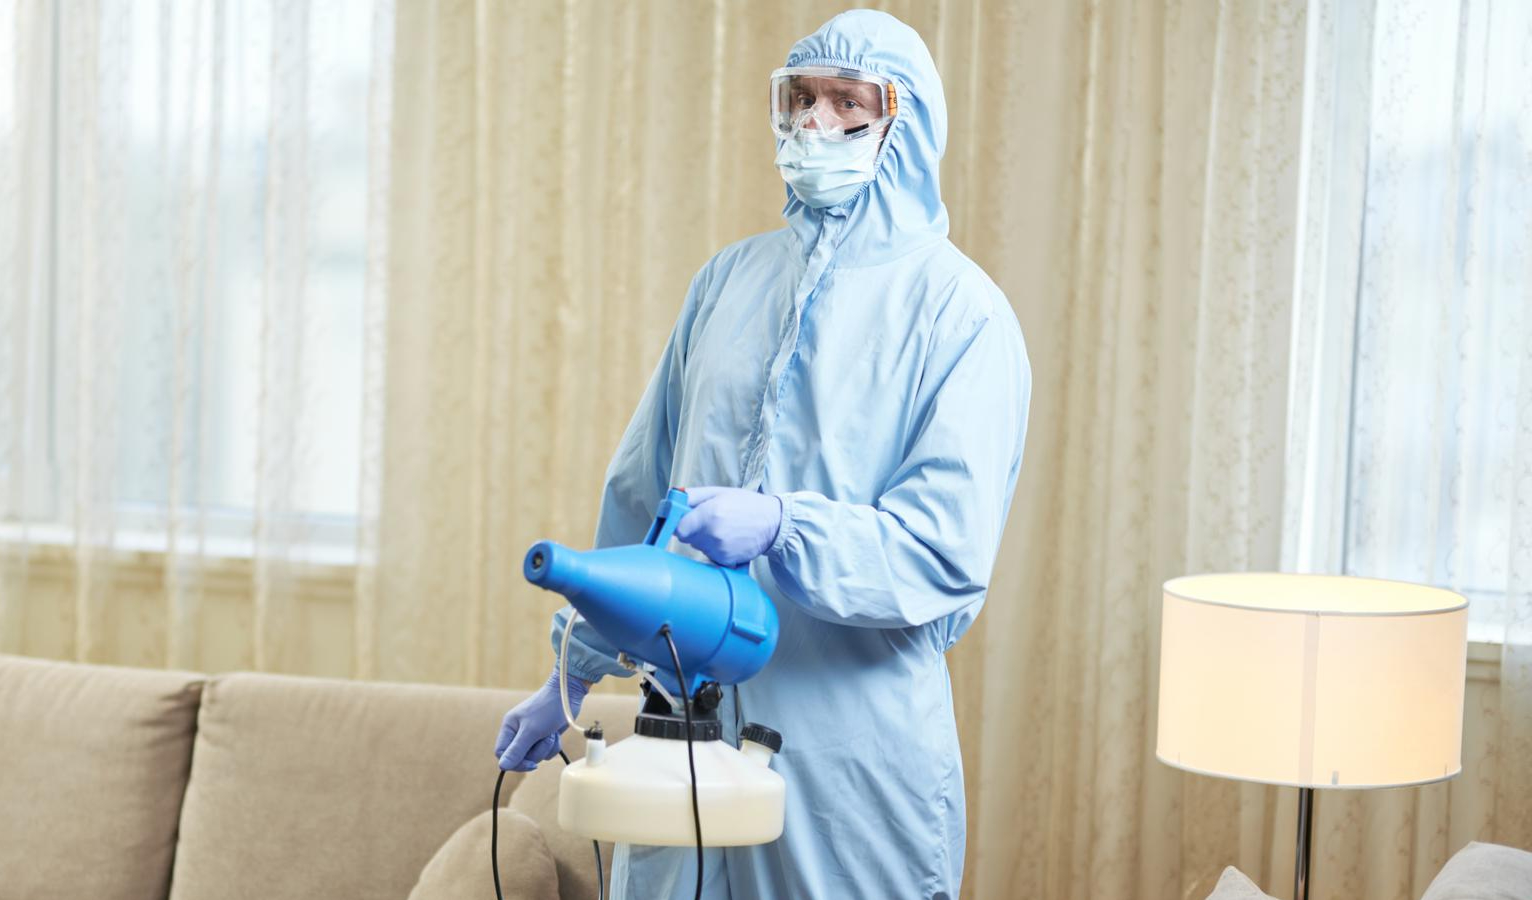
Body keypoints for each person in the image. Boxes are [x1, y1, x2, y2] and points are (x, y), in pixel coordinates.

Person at [494, 9, 1030, 899]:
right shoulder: (728, 282)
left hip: (847, 767)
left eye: (848, 102)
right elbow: (640, 499)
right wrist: (571, 675)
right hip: (683, 744)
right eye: (801, 98)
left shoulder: (960, 315)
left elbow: (943, 552)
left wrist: (786, 526)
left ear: (905, 124)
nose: (816, 121)